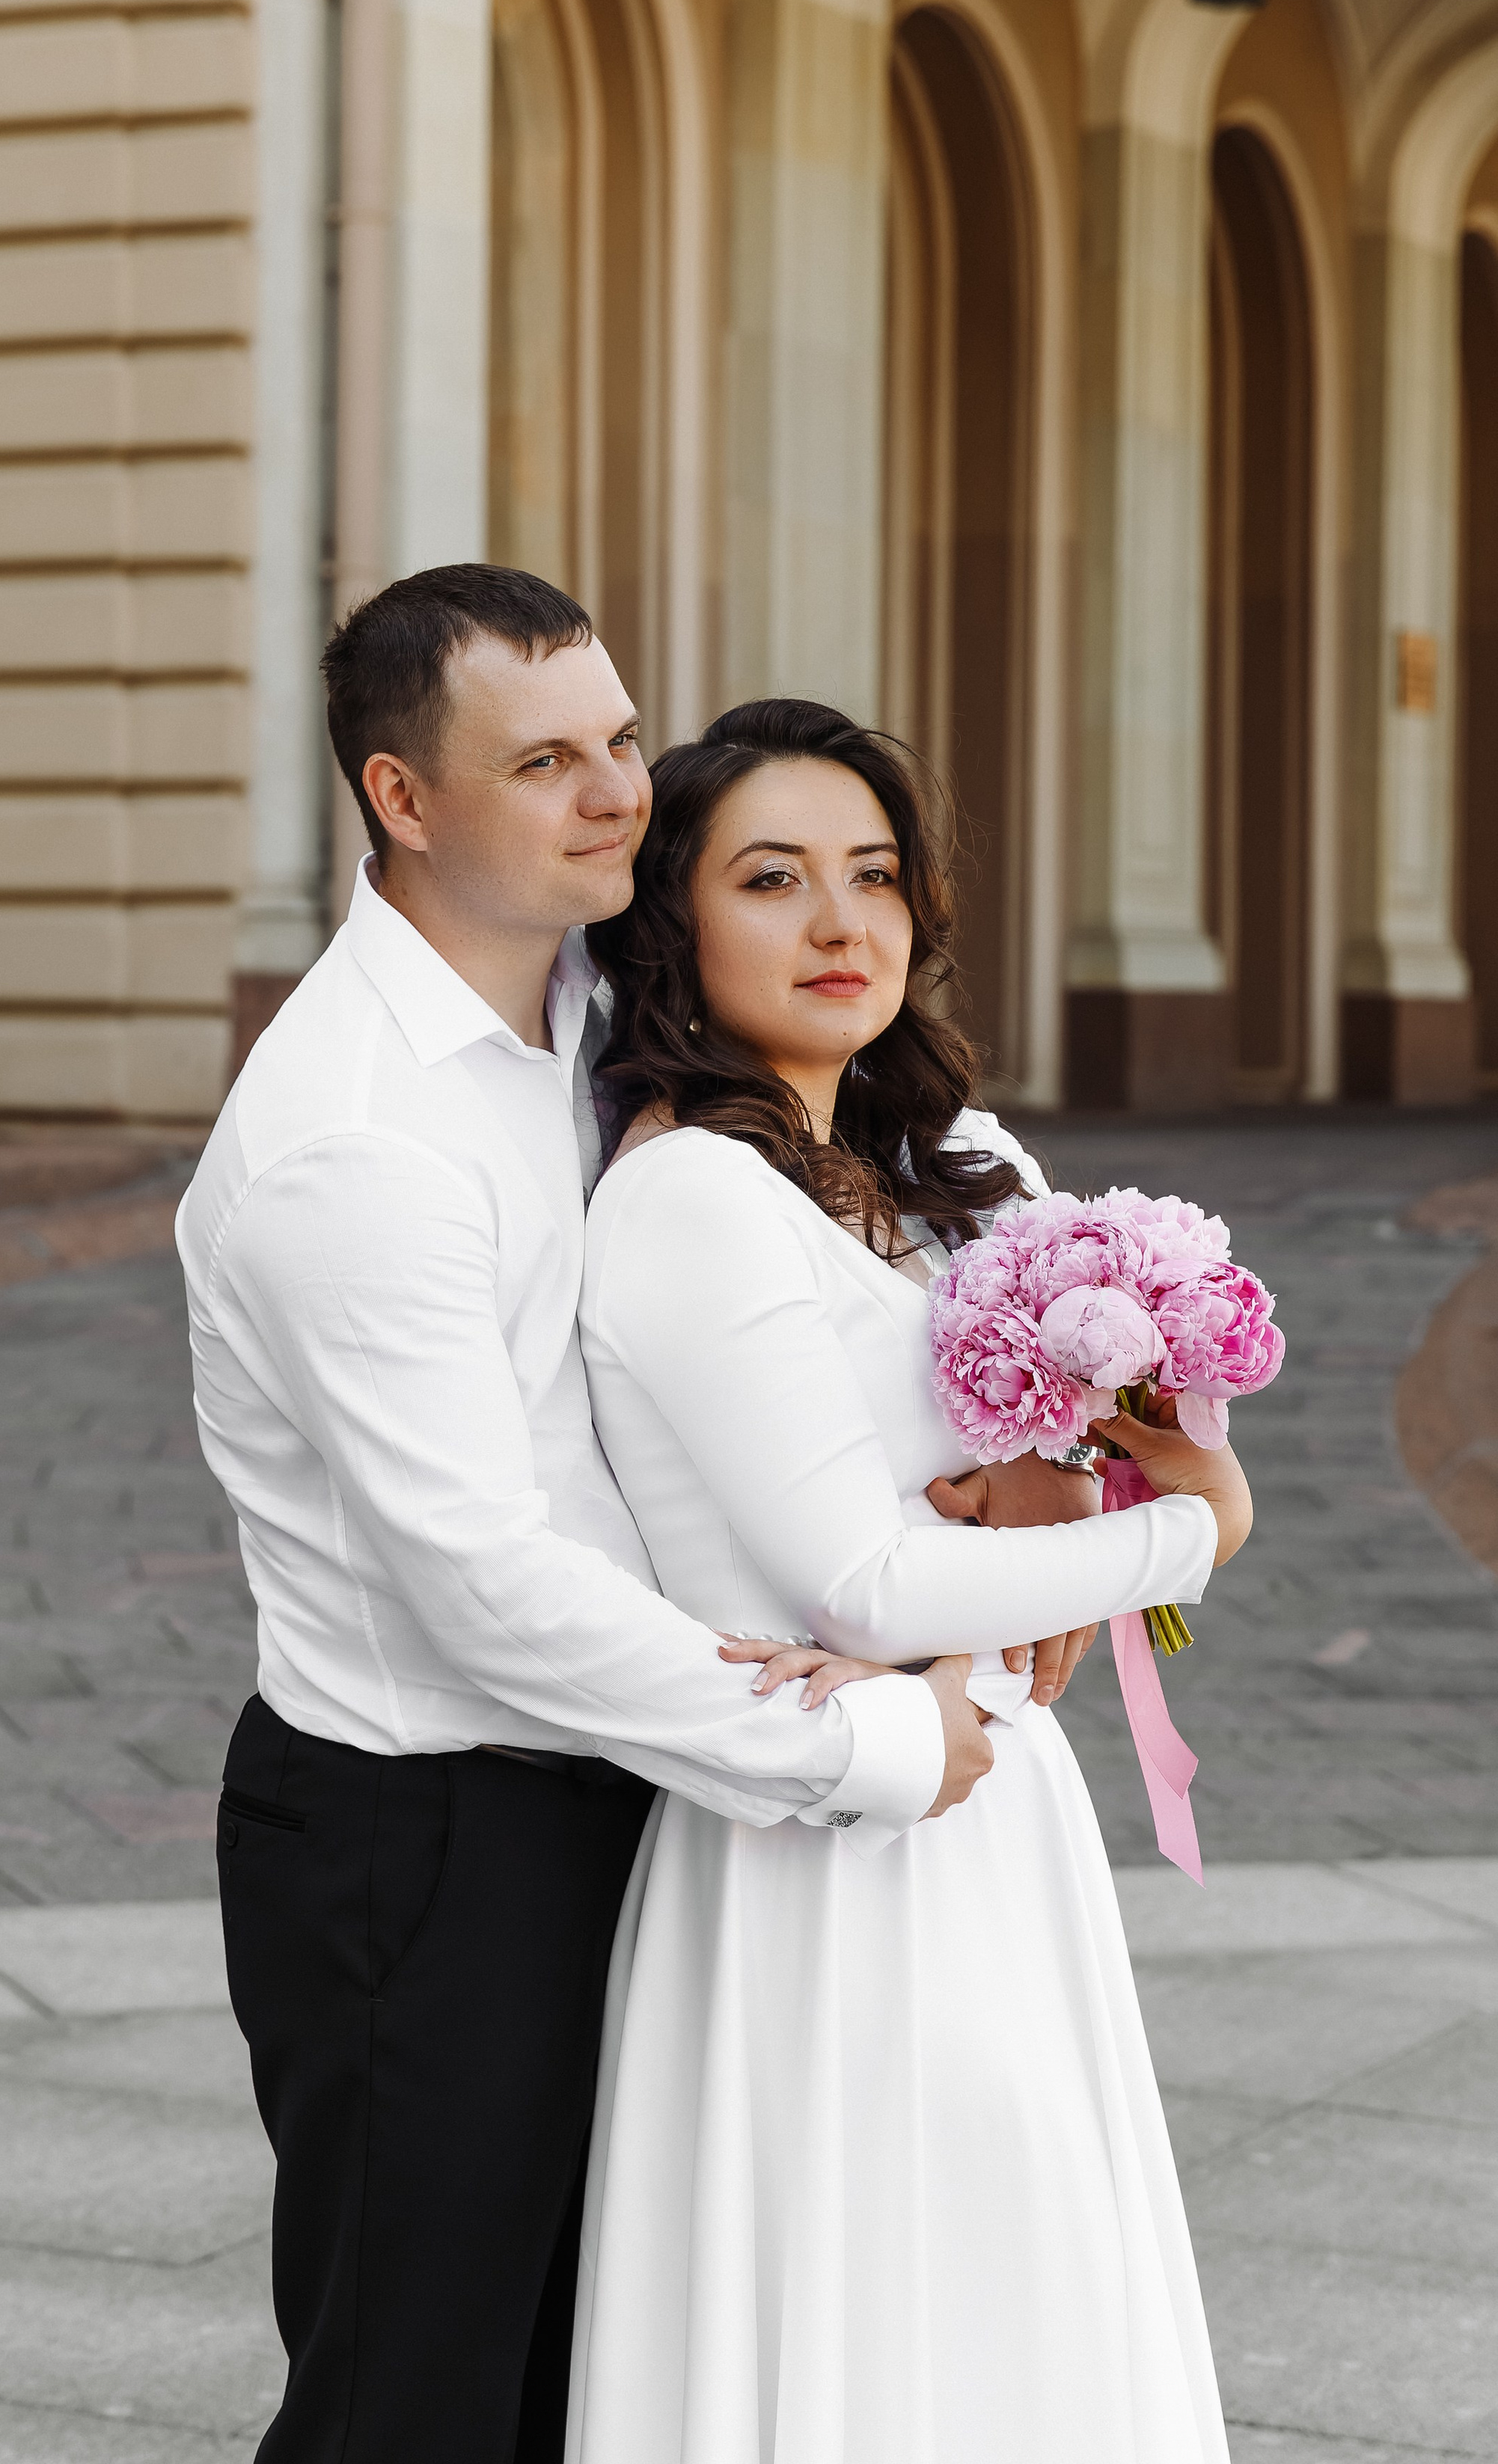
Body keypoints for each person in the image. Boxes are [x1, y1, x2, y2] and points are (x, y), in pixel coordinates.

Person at [177, 572, 1008, 2464]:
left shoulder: (604, 1006)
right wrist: (871, 1741)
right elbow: (483, 1587)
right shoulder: (351, 1138)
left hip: (645, 1786)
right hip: (431, 1844)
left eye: (621, 740)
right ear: (401, 799)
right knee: (416, 2403)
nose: (617, 791)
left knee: (605, 2391)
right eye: (543, 761)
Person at [568, 696, 1253, 2464]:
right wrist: (1194, 1531)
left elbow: (1055, 1483)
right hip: (824, 1841)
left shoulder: (961, 1171)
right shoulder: (690, 1197)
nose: (836, 922)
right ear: (671, 919)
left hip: (1001, 1813)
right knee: (866, 2326)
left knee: (1025, 2309)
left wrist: (1077, 1505)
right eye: (770, 878)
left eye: (871, 875)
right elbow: (863, 1588)